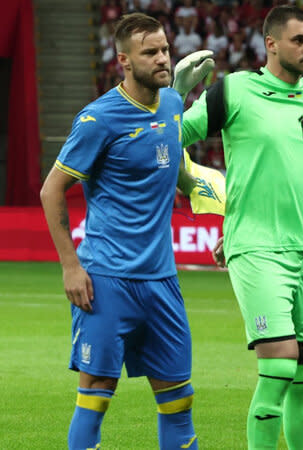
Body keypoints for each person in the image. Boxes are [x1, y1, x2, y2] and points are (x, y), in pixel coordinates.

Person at [180, 6, 303, 449]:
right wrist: (169, 97)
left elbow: (301, 165)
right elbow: (175, 135)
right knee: (280, 361)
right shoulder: (235, 90)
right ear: (271, 44)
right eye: (299, 40)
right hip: (257, 248)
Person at [40, 13, 198, 450]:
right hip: (107, 279)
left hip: (162, 280)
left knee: (179, 402)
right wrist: (71, 266)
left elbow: (168, 161)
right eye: (151, 52)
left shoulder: (171, 104)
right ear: (124, 60)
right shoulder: (99, 119)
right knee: (96, 395)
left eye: (165, 48)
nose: (163, 58)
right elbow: (52, 189)